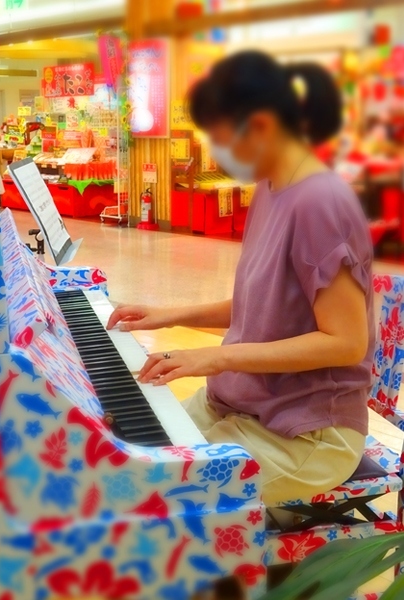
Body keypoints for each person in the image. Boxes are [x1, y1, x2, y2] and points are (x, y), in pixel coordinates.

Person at [107, 51, 374, 506]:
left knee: (158, 499)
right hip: (245, 404)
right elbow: (266, 303)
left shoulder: (320, 203)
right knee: (128, 450)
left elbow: (346, 342)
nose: (215, 152)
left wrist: (215, 358)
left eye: (220, 136)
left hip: (307, 431)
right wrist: (167, 315)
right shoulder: (272, 187)